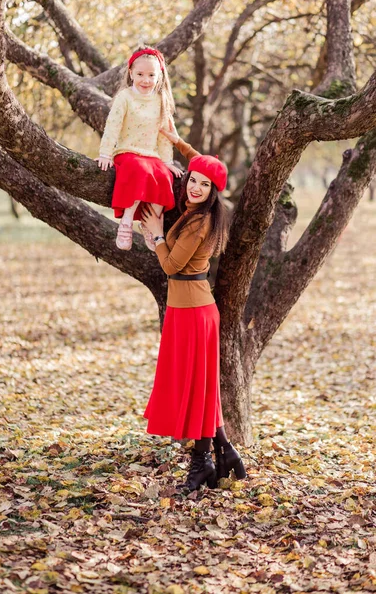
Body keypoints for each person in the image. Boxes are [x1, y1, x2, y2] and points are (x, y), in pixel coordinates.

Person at [140, 130, 247, 491]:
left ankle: (202, 464)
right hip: (187, 311)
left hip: (195, 314)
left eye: (204, 185)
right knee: (199, 391)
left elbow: (171, 265)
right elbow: (204, 164)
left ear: (214, 192)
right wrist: (177, 140)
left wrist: (156, 233)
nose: (195, 187)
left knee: (197, 392)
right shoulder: (194, 209)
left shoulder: (200, 221)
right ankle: (224, 452)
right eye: (192, 180)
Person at [96, 48, 182, 251]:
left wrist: (168, 162)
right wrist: (105, 153)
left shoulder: (161, 101)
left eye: (152, 75)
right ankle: (126, 222)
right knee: (140, 170)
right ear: (131, 73)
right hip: (128, 152)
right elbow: (113, 126)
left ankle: (149, 223)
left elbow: (164, 135)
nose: (146, 80)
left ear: (160, 76)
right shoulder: (125, 97)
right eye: (140, 74)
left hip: (151, 155)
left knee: (163, 176)